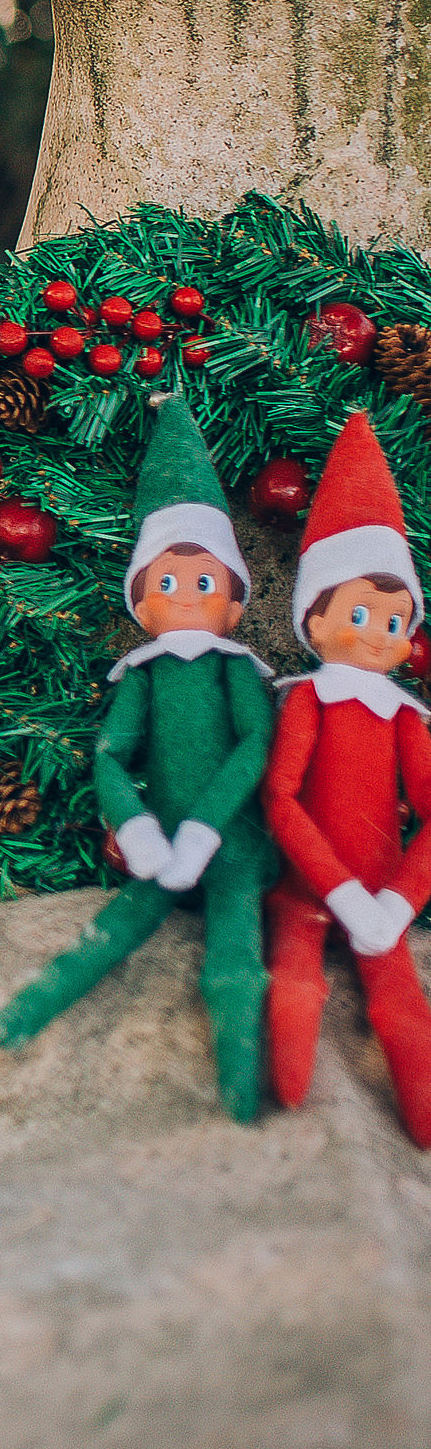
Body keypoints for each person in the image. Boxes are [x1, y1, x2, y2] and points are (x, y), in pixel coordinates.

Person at [0, 389, 272, 1117]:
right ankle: (20, 1018)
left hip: (233, 844)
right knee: (111, 930)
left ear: (234, 603)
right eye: (168, 583)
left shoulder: (237, 672)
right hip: (162, 840)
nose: (185, 596)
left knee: (236, 957)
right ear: (141, 604)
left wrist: (208, 829)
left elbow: (258, 746)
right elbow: (112, 755)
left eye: (204, 582)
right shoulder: (141, 679)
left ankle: (242, 1086)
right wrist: (140, 828)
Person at [259, 407, 431, 1145]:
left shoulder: (404, 717)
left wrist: (397, 901)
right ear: (315, 617)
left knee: (402, 1005)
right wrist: (336, 890)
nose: (376, 631)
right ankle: (291, 1103)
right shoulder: (308, 701)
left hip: (384, 892)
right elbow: (281, 799)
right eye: (359, 610)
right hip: (306, 889)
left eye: (396, 621)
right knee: (295, 983)